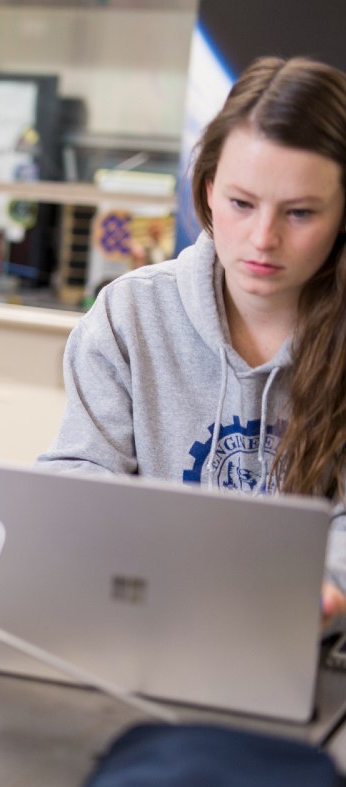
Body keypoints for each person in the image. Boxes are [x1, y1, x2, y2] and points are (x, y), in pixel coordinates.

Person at [37, 56, 346, 621]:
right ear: (207, 191)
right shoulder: (130, 312)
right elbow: (82, 469)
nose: (263, 238)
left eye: (300, 213)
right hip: (147, 620)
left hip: (310, 644)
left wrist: (325, 588)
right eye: (241, 203)